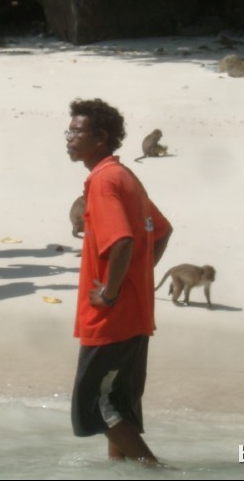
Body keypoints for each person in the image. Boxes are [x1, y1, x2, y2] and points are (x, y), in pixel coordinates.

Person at [65, 98, 172, 465]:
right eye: (69, 129)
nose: (68, 137)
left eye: (77, 131)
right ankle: (121, 472)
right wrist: (137, 281)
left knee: (95, 403)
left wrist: (111, 293)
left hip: (110, 319)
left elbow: (123, 240)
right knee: (117, 406)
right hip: (133, 316)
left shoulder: (105, 181)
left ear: (101, 137)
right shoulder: (124, 176)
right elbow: (160, 231)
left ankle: (158, 471)